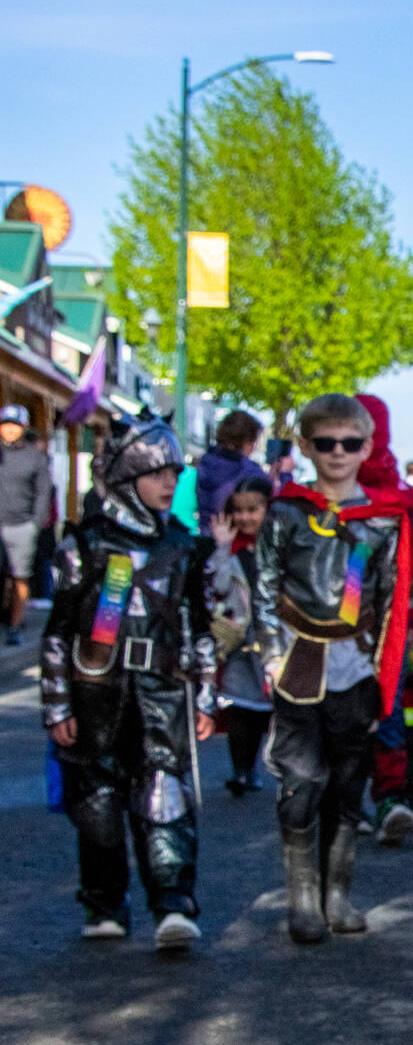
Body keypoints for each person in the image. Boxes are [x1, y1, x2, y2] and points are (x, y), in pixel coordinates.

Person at [253, 394, 413, 945]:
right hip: (298, 662)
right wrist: (271, 655)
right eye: (325, 443)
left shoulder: (384, 521)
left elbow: (395, 602)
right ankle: (302, 901)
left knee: (349, 782)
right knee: (301, 780)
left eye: (349, 443)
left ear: (367, 447)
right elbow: (262, 588)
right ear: (306, 447)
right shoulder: (285, 512)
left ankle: (337, 895)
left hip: (356, 668)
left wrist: (386, 677)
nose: (337, 453)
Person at [43, 417, 216, 951]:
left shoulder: (183, 548)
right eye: (157, 472)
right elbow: (58, 631)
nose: (169, 482)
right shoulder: (86, 544)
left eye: (175, 472)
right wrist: (56, 705)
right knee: (97, 799)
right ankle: (104, 903)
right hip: (96, 690)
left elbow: (199, 626)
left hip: (162, 692)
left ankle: (172, 903)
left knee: (165, 794)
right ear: (128, 474)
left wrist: (205, 695)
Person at [353, 394, 413, 846]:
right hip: (342, 629)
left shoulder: (405, 498)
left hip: (398, 625)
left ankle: (393, 795)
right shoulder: (331, 494)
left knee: (393, 711)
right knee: (348, 717)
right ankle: (349, 802)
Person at [206, 473, 275, 796]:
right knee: (240, 710)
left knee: (266, 709)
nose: (246, 517)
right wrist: (220, 547)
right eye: (240, 510)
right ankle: (242, 770)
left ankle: (259, 767)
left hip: (271, 639)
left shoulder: (278, 545)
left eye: (253, 510)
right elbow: (216, 588)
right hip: (237, 640)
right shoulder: (228, 550)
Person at [0, 402, 53, 646]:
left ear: (24, 427)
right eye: (5, 425)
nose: (9, 430)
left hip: (22, 525)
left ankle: (15, 625)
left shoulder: (34, 457)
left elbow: (44, 492)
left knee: (20, 577)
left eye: (14, 425)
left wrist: (35, 523)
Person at [194, 409, 267, 521]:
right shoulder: (250, 471)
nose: (254, 448)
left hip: (204, 533)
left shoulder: (204, 463)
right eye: (253, 442)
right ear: (247, 440)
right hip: (234, 535)